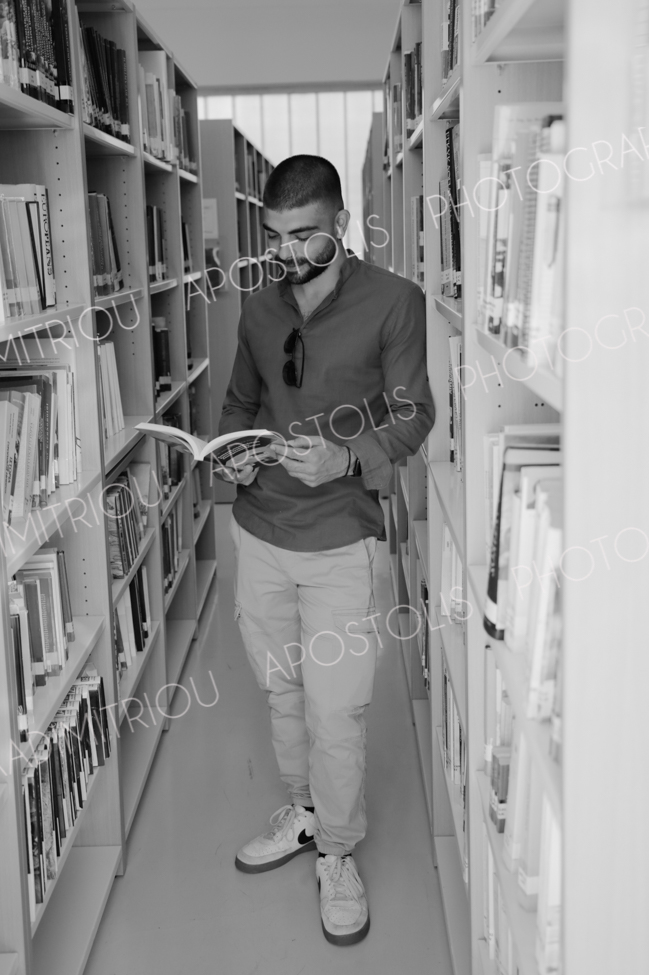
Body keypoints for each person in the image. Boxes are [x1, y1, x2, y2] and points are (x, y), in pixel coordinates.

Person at [217, 154, 434, 946]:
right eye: (274, 236)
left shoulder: (395, 303)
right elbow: (239, 403)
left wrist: (346, 458)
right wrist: (232, 453)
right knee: (282, 689)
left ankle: (337, 851)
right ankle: (305, 810)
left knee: (336, 706)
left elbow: (414, 415)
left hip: (342, 535)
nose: (287, 252)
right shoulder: (257, 307)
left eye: (304, 235)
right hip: (260, 530)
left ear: (340, 223)